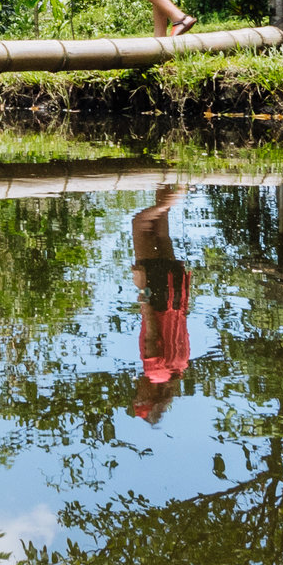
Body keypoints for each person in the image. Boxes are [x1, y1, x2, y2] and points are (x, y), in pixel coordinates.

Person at [129, 182, 192, 424]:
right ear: (151, 397)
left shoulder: (179, 368)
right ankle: (178, 192)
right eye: (139, 398)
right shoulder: (154, 372)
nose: (137, 393)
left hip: (176, 294)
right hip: (156, 296)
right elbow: (151, 328)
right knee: (141, 224)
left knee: (161, 231)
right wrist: (142, 287)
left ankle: (167, 175)